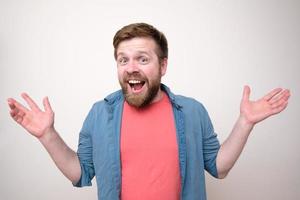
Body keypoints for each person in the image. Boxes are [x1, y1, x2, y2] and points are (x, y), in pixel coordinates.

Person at [7, 23, 290, 200]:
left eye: (143, 59)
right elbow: (80, 173)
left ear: (162, 66)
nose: (131, 67)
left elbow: (219, 167)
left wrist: (245, 122)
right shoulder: (99, 114)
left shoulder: (192, 112)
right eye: (123, 59)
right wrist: (47, 135)